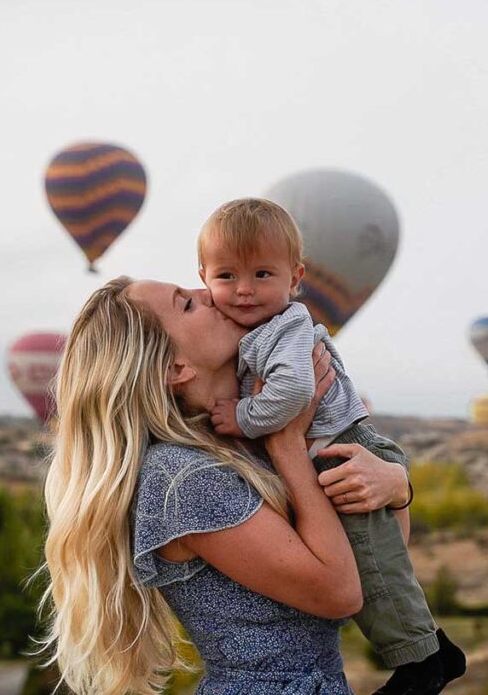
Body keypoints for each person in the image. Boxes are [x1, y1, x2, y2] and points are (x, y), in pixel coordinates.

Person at [42, 276, 411, 694]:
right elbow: (340, 594)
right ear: (175, 368)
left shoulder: (246, 448)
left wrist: (395, 487)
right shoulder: (182, 480)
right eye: (187, 305)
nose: (210, 294)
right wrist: (289, 447)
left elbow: (374, 568)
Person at [196, 198, 466, 695]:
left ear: (295, 278)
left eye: (262, 274)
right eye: (227, 276)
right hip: (324, 446)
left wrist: (242, 416)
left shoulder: (285, 328)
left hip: (339, 444)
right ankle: (432, 647)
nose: (245, 290)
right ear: (203, 275)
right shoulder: (248, 333)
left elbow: (296, 392)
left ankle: (422, 660)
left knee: (371, 558)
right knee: (371, 557)